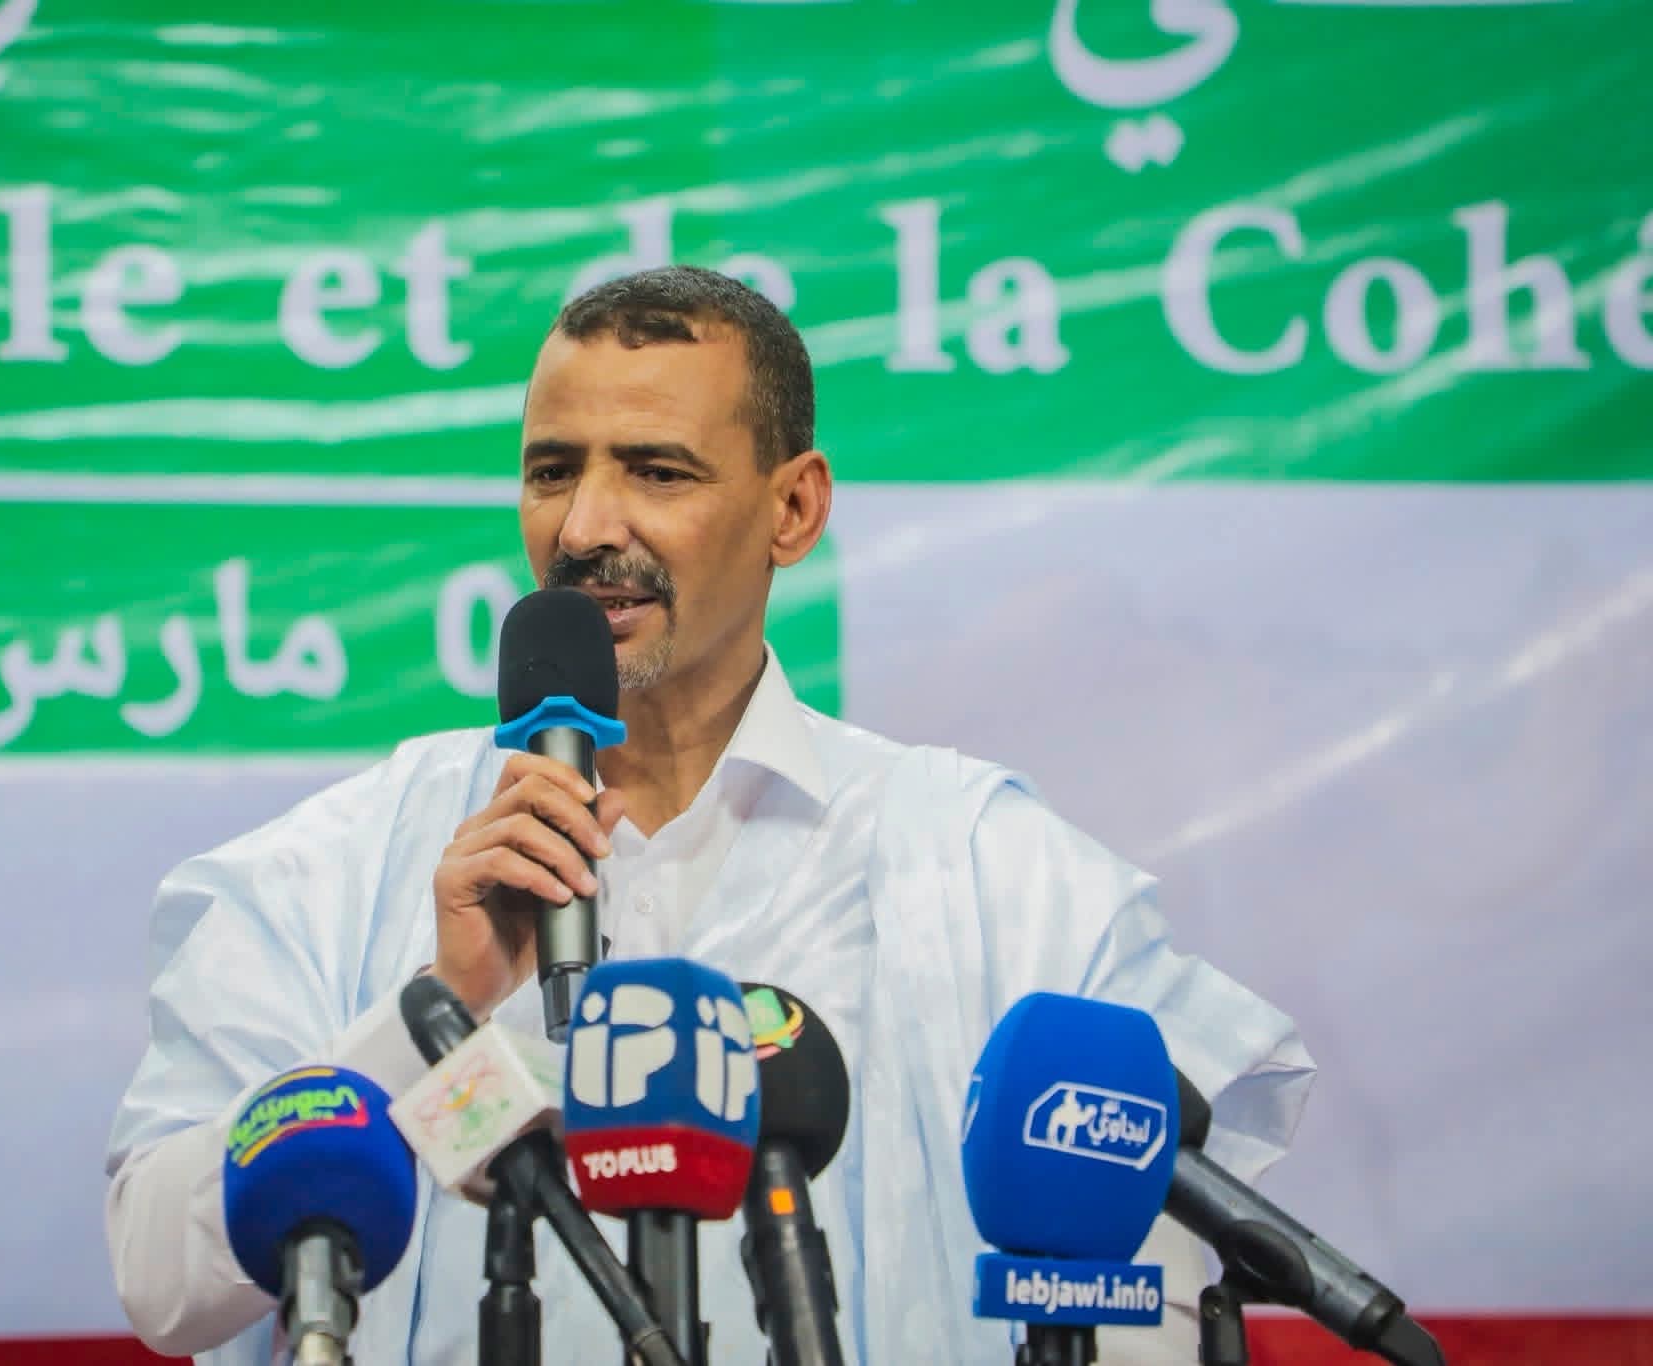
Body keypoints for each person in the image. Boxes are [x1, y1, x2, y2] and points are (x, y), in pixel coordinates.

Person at [103, 266, 1316, 1364]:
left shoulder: (990, 866)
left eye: (657, 471)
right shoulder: (332, 865)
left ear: (792, 509)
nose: (584, 529)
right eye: (551, 471)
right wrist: (434, 1006)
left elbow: (1151, 1268)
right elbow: (161, 1283)